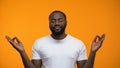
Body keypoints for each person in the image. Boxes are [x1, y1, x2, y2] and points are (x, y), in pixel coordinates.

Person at [5, 10, 105, 68]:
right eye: (53, 21)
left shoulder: (78, 43)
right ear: (49, 23)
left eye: (60, 20)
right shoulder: (39, 43)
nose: (56, 23)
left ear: (66, 22)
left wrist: (93, 52)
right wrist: (22, 52)